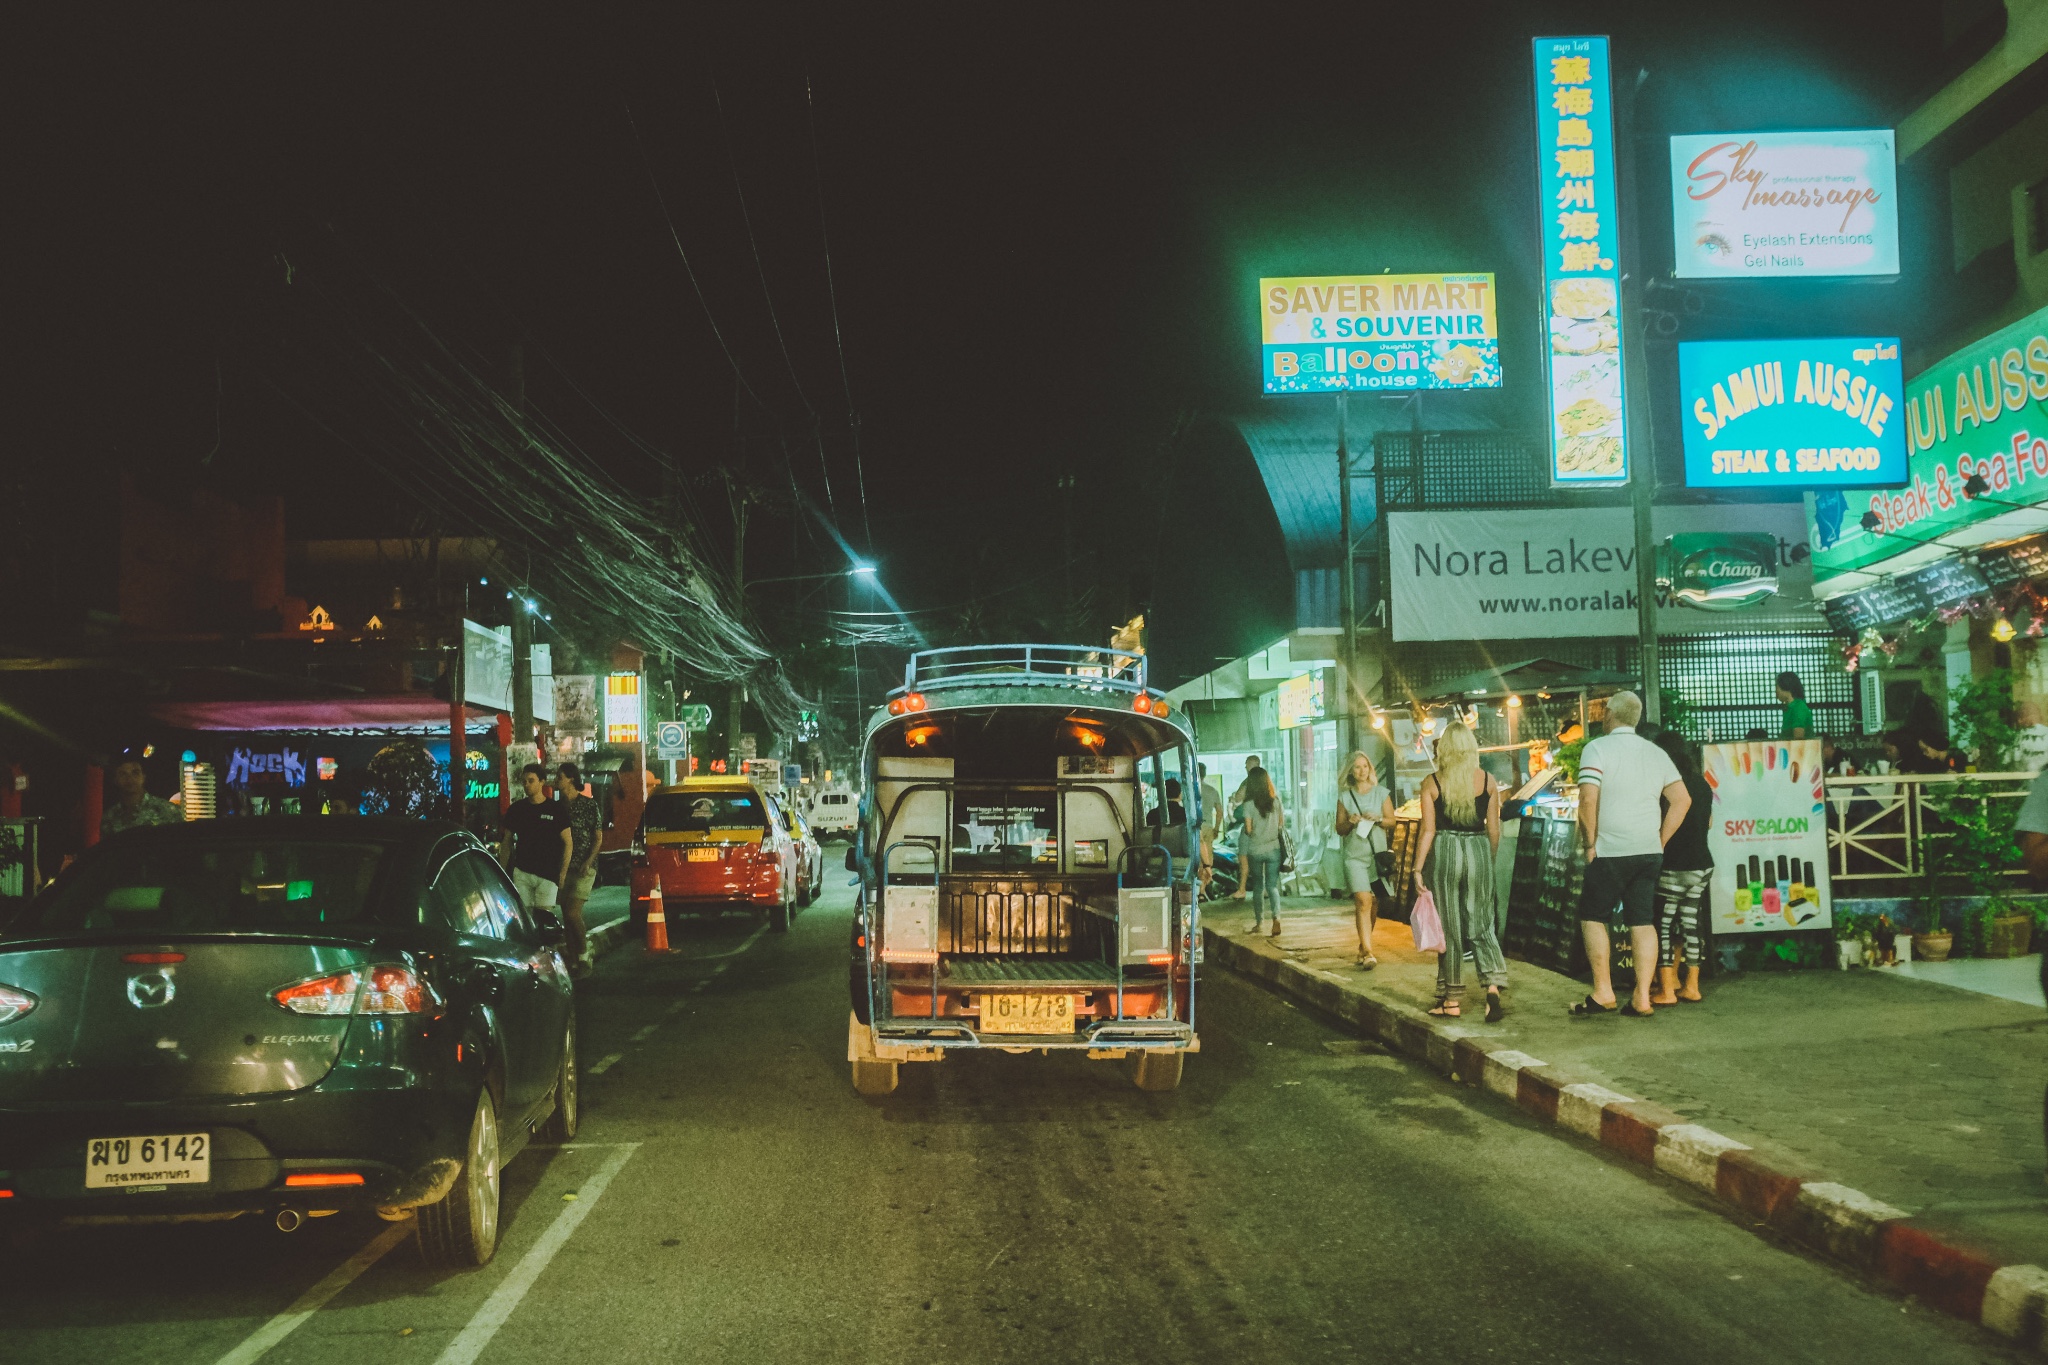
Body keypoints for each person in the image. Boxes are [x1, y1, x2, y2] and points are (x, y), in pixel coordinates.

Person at [1569, 691, 1691, 1018]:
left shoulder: (1596, 748)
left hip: (1610, 850)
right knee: (1642, 921)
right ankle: (1642, 998)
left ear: (1610, 714)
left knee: (1593, 916)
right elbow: (1682, 800)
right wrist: (1661, 840)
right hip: (1648, 851)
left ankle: (1603, 991)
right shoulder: (1655, 753)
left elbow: (1587, 801)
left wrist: (1589, 844)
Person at [1410, 724, 1507, 1020]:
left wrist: (1417, 868)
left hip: (1445, 851)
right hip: (1478, 848)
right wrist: (1487, 859)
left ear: (1444, 750)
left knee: (1449, 926)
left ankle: (1451, 1000)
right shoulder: (1489, 781)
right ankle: (1492, 987)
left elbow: (1428, 830)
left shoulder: (1431, 783)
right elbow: (1494, 829)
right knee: (1481, 922)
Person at [1648, 729, 1713, 1006]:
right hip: (1702, 865)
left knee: (1662, 927)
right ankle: (1692, 986)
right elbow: (1709, 822)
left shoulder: (1666, 785)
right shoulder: (1702, 783)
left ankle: (1667, 990)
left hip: (1673, 865)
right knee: (1690, 925)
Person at [1335, 750, 1396, 969]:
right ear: (1351, 771)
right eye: (1357, 767)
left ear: (1370, 768)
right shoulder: (1345, 797)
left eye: (1365, 766)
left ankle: (1363, 945)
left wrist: (1378, 818)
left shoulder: (1381, 793)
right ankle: (1369, 952)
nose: (1362, 771)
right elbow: (1339, 829)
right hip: (1354, 857)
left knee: (1374, 903)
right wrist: (1350, 822)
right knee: (1363, 900)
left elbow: (1392, 821)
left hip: (1377, 856)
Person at [498, 763, 571, 912]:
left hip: (548, 873)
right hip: (522, 872)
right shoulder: (517, 809)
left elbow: (568, 842)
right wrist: (502, 871)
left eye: (531, 781)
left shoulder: (556, 809)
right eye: (524, 781)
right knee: (525, 916)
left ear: (541, 782)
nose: (527, 785)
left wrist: (563, 873)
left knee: (544, 916)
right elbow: (507, 842)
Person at [556, 762, 601, 977]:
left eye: (560, 777)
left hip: (584, 867)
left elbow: (598, 837)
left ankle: (584, 954)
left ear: (571, 779)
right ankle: (573, 960)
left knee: (573, 912)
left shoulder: (589, 806)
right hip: (564, 866)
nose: (557, 781)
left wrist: (589, 860)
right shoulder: (558, 807)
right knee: (566, 915)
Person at [1237, 766, 1285, 937]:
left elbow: (1249, 830)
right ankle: (1277, 918)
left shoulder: (1248, 805)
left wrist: (1255, 830)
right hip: (1274, 849)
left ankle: (1259, 923)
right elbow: (1281, 825)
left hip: (1255, 850)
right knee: (1272, 886)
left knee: (1258, 887)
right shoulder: (1276, 801)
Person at [101, 757, 180, 838]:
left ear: (143, 777)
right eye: (123, 774)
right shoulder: (109, 818)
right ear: (116, 780)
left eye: (135, 773)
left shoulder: (166, 810)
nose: (129, 778)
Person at [1227, 755, 1261, 900]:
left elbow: (1238, 798)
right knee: (1262, 858)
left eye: (1246, 764)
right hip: (1264, 826)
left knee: (1243, 857)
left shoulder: (1248, 781)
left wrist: (1235, 796)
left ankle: (1242, 889)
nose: (1245, 767)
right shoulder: (1266, 782)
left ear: (1252, 765)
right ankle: (1265, 888)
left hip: (1249, 824)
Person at [1197, 762, 1223, 890]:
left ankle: (1195, 891)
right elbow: (1219, 811)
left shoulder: (1189, 789)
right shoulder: (1212, 790)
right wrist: (1216, 828)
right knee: (1207, 860)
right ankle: (1202, 891)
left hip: (1193, 828)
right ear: (1204, 774)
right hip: (1207, 827)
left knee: (1195, 859)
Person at [2014, 699, 2048, 773]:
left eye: (2021, 716)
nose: (2019, 721)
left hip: (2026, 780)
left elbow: (2015, 761)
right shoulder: (2019, 736)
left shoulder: (2018, 737)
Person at [1776, 671, 1812, 740]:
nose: (1776, 691)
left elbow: (1798, 738)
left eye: (1777, 687)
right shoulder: (1789, 708)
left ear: (1786, 686)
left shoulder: (1798, 708)